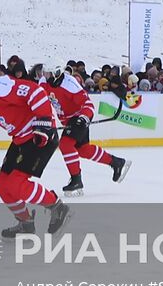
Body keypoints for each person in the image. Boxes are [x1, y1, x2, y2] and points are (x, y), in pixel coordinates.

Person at [0, 61, 71, 238]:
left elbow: (36, 92)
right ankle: (25, 223)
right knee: (2, 184)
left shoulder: (1, 87)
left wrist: (44, 121)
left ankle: (58, 208)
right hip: (20, 140)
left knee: (17, 185)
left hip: (39, 136)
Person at [41, 60, 131, 195]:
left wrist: (84, 118)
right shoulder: (43, 82)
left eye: (48, 73)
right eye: (45, 73)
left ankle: (76, 180)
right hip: (67, 120)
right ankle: (117, 162)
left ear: (56, 73)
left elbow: (88, 104)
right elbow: (40, 101)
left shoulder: (69, 84)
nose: (45, 76)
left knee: (65, 145)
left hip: (78, 118)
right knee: (83, 150)